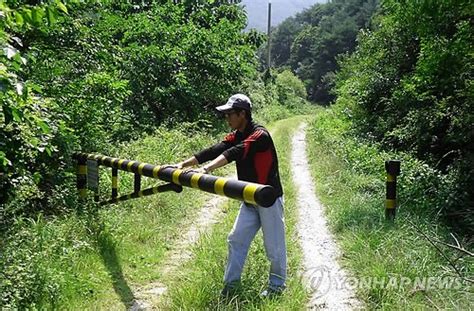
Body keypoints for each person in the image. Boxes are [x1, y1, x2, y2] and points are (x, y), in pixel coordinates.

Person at [172, 94, 287, 298]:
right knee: (236, 240)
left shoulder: (260, 135)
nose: (227, 119)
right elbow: (216, 149)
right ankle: (230, 288)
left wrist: (206, 170)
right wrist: (183, 164)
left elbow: (236, 152)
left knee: (274, 247)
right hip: (249, 199)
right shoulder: (237, 133)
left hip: (268, 199)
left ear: (243, 114)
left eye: (230, 114)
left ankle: (277, 288)